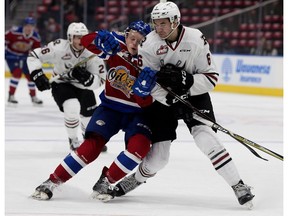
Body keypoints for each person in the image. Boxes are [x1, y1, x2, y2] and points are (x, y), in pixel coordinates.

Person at [99, 2, 255, 208]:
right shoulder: (149, 44)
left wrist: (188, 83)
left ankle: (239, 185)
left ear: (176, 21)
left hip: (194, 96)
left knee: (206, 139)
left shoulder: (196, 39)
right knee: (159, 159)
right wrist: (170, 99)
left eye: (163, 23)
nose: (159, 28)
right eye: (156, 23)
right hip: (164, 101)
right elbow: (149, 83)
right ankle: (135, 179)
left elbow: (211, 78)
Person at [31, 21, 154, 201]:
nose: (134, 44)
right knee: (91, 145)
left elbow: (151, 99)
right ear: (125, 36)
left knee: (139, 148)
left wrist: (143, 94)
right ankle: (53, 181)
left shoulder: (153, 57)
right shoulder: (116, 44)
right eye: (132, 38)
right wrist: (98, 38)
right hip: (110, 107)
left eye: (140, 41)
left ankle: (106, 180)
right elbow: (87, 42)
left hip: (139, 112)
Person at [27, 22, 107, 151]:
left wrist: (88, 79)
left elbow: (101, 80)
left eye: (83, 36)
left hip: (82, 87)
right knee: (72, 107)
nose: (80, 40)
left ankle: (89, 138)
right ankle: (73, 139)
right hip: (61, 84)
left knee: (89, 117)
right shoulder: (58, 47)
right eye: (77, 37)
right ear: (70, 37)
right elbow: (34, 55)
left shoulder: (93, 52)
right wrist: (37, 75)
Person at [5, 17, 43, 105]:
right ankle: (11, 95)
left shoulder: (36, 37)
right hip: (12, 55)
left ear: (34, 27)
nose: (29, 28)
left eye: (31, 26)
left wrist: (35, 56)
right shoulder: (14, 31)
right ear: (23, 26)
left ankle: (33, 96)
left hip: (25, 57)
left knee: (30, 77)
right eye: (27, 26)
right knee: (17, 73)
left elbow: (37, 50)